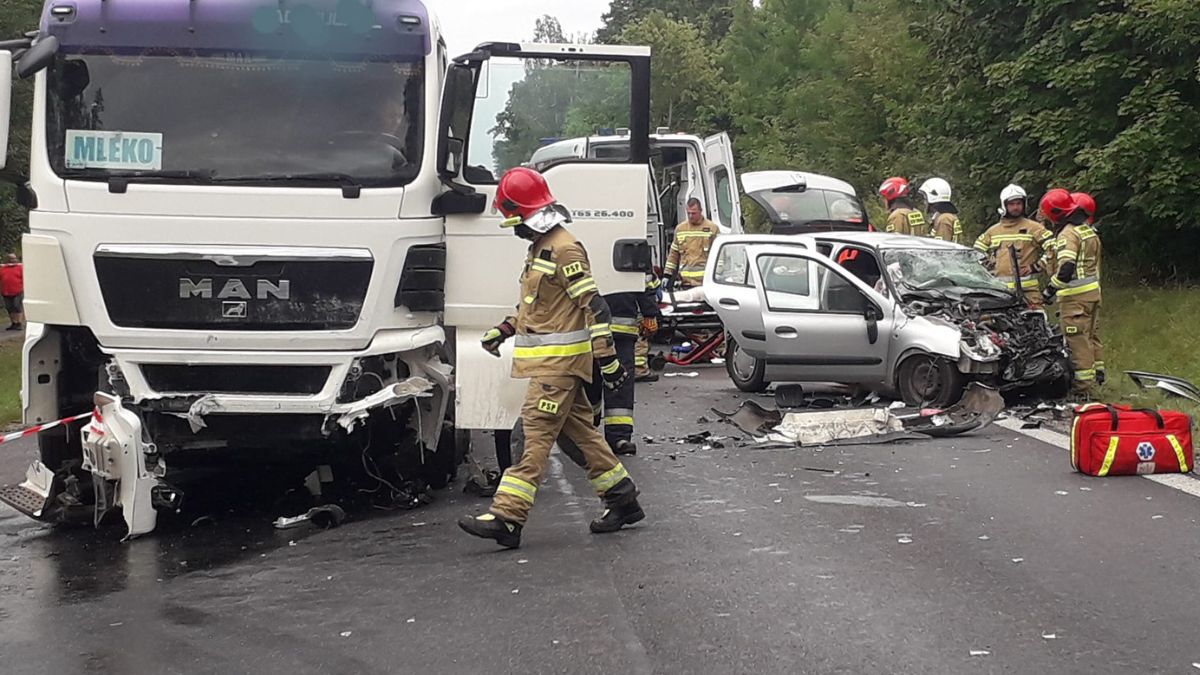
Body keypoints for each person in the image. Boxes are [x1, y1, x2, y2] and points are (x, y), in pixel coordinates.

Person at [459, 167, 644, 549]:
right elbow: (539, 307)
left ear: (528, 214)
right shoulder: (540, 248)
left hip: (558, 369)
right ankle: (621, 498)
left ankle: (508, 517)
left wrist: (607, 361)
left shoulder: (564, 248)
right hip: (550, 366)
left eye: (515, 221)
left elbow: (594, 306)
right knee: (581, 436)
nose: (514, 230)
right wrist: (506, 329)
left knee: (532, 438)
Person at [1043, 189, 1104, 395]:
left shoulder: (1068, 233)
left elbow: (1067, 268)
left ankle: (1082, 389)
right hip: (1092, 294)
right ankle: (1098, 377)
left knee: (1077, 341)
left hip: (1075, 298)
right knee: (1091, 337)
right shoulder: (1087, 230)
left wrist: (1049, 290)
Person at [973, 184, 1055, 307]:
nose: (1016, 207)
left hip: (1029, 293)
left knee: (1036, 323)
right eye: (1012, 204)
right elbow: (975, 254)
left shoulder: (1034, 228)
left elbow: (1054, 247)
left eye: (1019, 203)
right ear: (1004, 205)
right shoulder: (993, 231)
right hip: (1000, 292)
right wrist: (988, 268)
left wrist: (1036, 267)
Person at [663, 198, 718, 302]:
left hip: (705, 283)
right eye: (688, 213)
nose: (690, 216)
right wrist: (667, 274)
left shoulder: (712, 228)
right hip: (685, 283)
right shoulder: (680, 229)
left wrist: (718, 275)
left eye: (693, 213)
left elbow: (719, 257)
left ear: (701, 211)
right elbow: (673, 254)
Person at [918, 177, 963, 244]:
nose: (925, 202)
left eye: (925, 198)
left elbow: (942, 247)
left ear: (933, 196)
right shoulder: (946, 216)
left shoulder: (944, 219)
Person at [634, 271, 661, 382]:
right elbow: (648, 290)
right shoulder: (641, 267)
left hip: (627, 305)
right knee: (641, 341)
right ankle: (640, 371)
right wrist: (650, 313)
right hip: (639, 308)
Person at [1, 254, 24, 331]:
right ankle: (13, 323)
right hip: (6, 291)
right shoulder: (3, 268)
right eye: (10, 258)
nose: (12, 260)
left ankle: (19, 323)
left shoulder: (20, 267)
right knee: (9, 307)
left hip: (18, 291)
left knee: (17, 306)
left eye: (14, 258)